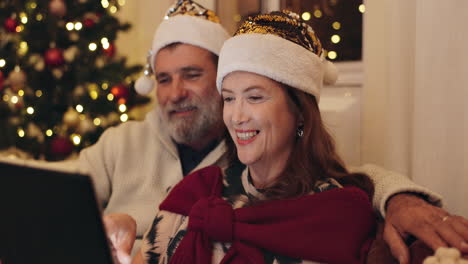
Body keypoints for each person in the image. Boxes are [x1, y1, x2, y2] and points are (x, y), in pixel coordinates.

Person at [75, 1, 468, 263]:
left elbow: (347, 182)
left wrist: (398, 197)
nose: (176, 92)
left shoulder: (325, 198)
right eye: (163, 79)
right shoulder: (137, 151)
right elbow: (54, 194)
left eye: (192, 75)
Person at [134, 10, 377, 263]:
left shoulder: (333, 213)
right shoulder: (199, 191)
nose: (237, 116)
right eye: (229, 98)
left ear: (301, 113)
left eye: (255, 97)